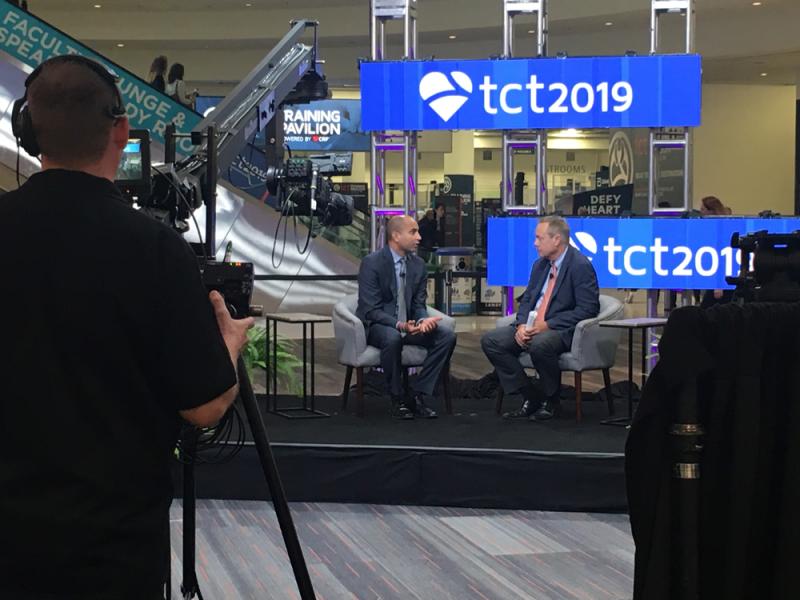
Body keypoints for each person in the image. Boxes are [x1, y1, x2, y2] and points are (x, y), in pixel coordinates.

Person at [0, 55, 254, 600]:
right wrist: (229, 344)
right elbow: (204, 407)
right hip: (112, 548)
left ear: (28, 131)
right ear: (121, 131)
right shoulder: (154, 248)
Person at [481, 216, 600, 421]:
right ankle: (530, 395)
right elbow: (527, 299)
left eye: (539, 238)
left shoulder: (580, 265)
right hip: (531, 325)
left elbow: (588, 309)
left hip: (560, 330)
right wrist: (521, 325)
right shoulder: (540, 265)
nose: (535, 243)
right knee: (491, 341)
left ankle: (551, 401)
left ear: (556, 240)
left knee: (540, 344)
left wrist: (548, 325)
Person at [356, 216, 457, 419]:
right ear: (396, 235)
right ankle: (398, 398)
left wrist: (422, 320)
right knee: (392, 337)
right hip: (380, 325)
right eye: (413, 232)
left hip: (409, 326)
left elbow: (418, 304)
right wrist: (399, 325)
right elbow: (370, 310)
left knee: (446, 336)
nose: (419, 237)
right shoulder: (372, 263)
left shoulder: (418, 265)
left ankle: (418, 394)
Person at [698, 195, 734, 308]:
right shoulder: (710, 228)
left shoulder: (720, 229)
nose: (701, 213)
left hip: (720, 280)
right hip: (711, 276)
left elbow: (722, 258)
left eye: (703, 209)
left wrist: (719, 285)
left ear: (711, 211)